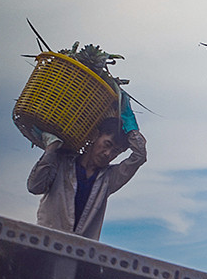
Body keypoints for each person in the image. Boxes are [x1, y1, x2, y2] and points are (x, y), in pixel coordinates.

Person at [28, 98, 147, 239]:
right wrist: (51, 149)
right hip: (45, 244)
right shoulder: (62, 162)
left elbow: (139, 156)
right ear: (95, 136)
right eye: (107, 144)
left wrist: (130, 123)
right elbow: (34, 187)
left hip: (79, 255)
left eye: (116, 151)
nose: (108, 154)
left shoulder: (109, 179)